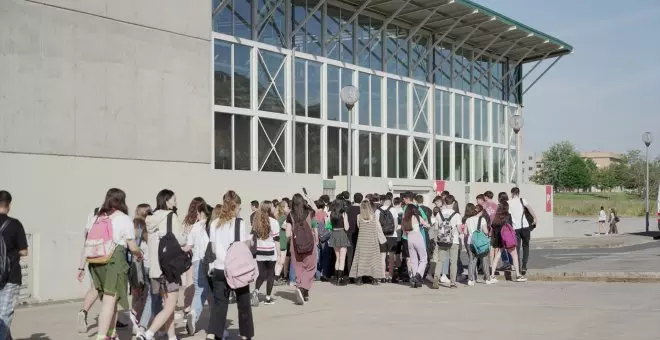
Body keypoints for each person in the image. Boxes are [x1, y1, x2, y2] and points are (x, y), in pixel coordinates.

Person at [80, 188, 143, 340]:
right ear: (122, 201)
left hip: (95, 261)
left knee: (111, 300)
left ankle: (111, 333)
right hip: (113, 259)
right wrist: (139, 255)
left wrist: (80, 266)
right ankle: (102, 336)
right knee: (109, 300)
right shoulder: (123, 218)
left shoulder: (95, 215)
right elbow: (132, 245)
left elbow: (87, 241)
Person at [137, 189, 186, 340]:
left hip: (155, 269)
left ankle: (171, 337)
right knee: (170, 306)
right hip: (170, 268)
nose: (176, 202)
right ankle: (148, 333)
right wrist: (186, 237)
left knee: (167, 306)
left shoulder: (150, 219)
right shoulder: (171, 217)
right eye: (174, 199)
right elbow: (180, 240)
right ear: (166, 201)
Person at [208, 190, 254, 340]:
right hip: (236, 269)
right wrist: (250, 241)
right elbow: (242, 246)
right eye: (239, 208)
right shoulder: (239, 223)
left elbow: (214, 248)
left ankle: (213, 333)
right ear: (234, 208)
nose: (240, 211)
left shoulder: (214, 224)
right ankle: (246, 334)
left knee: (219, 304)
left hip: (219, 268)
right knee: (243, 302)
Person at [0, 191, 28, 340]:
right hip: (10, 276)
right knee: (4, 317)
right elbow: (24, 251)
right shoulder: (15, 224)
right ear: (9, 205)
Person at [183, 203, 212, 336]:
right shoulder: (212, 225)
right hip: (209, 262)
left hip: (196, 262)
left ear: (200, 213)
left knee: (199, 291)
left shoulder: (194, 227)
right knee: (213, 293)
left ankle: (193, 313)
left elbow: (188, 247)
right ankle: (216, 325)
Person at [285, 194, 318, 305]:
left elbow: (288, 234)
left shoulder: (290, 215)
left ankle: (302, 289)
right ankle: (304, 290)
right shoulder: (309, 212)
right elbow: (316, 209)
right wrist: (308, 197)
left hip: (296, 245)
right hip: (309, 245)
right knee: (311, 267)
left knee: (299, 268)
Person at [350, 200, 386, 285]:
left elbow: (359, 227)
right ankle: (374, 279)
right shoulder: (373, 216)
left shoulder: (359, 216)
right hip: (372, 241)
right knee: (373, 260)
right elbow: (378, 228)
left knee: (361, 260)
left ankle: (359, 279)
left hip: (362, 241)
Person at [251, 201, 280, 306]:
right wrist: (279, 254)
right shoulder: (274, 222)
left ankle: (256, 291)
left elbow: (253, 236)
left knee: (261, 274)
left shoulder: (256, 221)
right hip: (270, 251)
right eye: (272, 206)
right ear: (268, 208)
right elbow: (276, 239)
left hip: (259, 250)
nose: (273, 208)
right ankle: (268, 298)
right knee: (270, 274)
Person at [129, 204, 152, 335]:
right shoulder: (144, 226)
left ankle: (135, 323)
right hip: (144, 265)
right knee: (146, 295)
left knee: (136, 294)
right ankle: (134, 314)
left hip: (133, 265)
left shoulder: (132, 224)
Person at [181, 197, 206, 318]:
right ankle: (190, 309)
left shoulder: (187, 220)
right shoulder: (199, 222)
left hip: (187, 253)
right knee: (194, 284)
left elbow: (184, 236)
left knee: (189, 282)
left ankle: (187, 307)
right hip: (194, 253)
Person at [489, 202, 526, 282]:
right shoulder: (508, 216)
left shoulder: (496, 217)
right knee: (514, 255)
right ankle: (518, 275)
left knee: (497, 256)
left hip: (500, 240)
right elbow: (510, 227)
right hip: (507, 239)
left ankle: (492, 275)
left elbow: (493, 227)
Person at [431, 195, 462, 289]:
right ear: (453, 203)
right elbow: (460, 230)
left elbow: (436, 228)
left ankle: (436, 278)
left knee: (440, 261)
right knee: (453, 262)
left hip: (441, 240)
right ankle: (452, 282)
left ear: (444, 202)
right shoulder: (456, 215)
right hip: (454, 240)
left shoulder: (439, 214)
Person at [508, 187, 537, 275]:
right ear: (518, 193)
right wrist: (535, 218)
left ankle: (518, 268)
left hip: (515, 229)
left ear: (512, 193)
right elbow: (530, 209)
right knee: (526, 246)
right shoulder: (522, 200)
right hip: (525, 227)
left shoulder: (508, 203)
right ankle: (524, 266)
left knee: (516, 249)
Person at [463, 204, 492, 285]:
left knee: (472, 261)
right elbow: (486, 231)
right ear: (481, 211)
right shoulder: (482, 219)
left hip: (470, 242)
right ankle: (487, 279)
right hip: (481, 243)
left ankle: (470, 279)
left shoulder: (468, 219)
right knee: (484, 260)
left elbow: (465, 232)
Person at [401, 204, 426, 288]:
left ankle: (414, 281)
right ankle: (418, 275)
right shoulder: (417, 217)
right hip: (418, 237)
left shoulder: (405, 219)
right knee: (423, 259)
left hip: (409, 239)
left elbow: (404, 230)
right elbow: (426, 224)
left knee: (413, 260)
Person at [377, 196, 400, 283]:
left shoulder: (378, 210)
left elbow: (377, 224)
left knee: (382, 257)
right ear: (390, 202)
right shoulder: (393, 210)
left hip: (382, 236)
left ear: (383, 202)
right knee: (391, 256)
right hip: (392, 235)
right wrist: (393, 231)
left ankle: (382, 276)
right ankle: (390, 276)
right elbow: (396, 223)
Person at [329, 200, 351, 285]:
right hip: (342, 233)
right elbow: (347, 228)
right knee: (342, 259)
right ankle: (340, 279)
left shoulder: (332, 213)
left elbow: (330, 225)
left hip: (334, 234)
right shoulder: (344, 213)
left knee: (337, 258)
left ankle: (336, 278)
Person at [344, 193, 362, 281]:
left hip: (349, 233)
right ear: (361, 200)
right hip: (359, 234)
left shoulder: (348, 209)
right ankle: (357, 275)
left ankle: (350, 275)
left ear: (354, 199)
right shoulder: (362, 209)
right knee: (358, 255)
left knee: (350, 255)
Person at [274, 200, 291, 284]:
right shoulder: (284, 217)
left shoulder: (277, 216)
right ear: (283, 207)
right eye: (287, 206)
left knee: (278, 259)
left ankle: (276, 277)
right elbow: (286, 228)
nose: (288, 208)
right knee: (282, 260)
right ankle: (276, 278)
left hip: (277, 240)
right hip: (283, 240)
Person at [314, 201, 332, 281]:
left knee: (317, 257)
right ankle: (323, 274)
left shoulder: (313, 214)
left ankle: (317, 275)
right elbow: (328, 227)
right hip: (324, 238)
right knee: (324, 256)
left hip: (315, 237)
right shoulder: (325, 214)